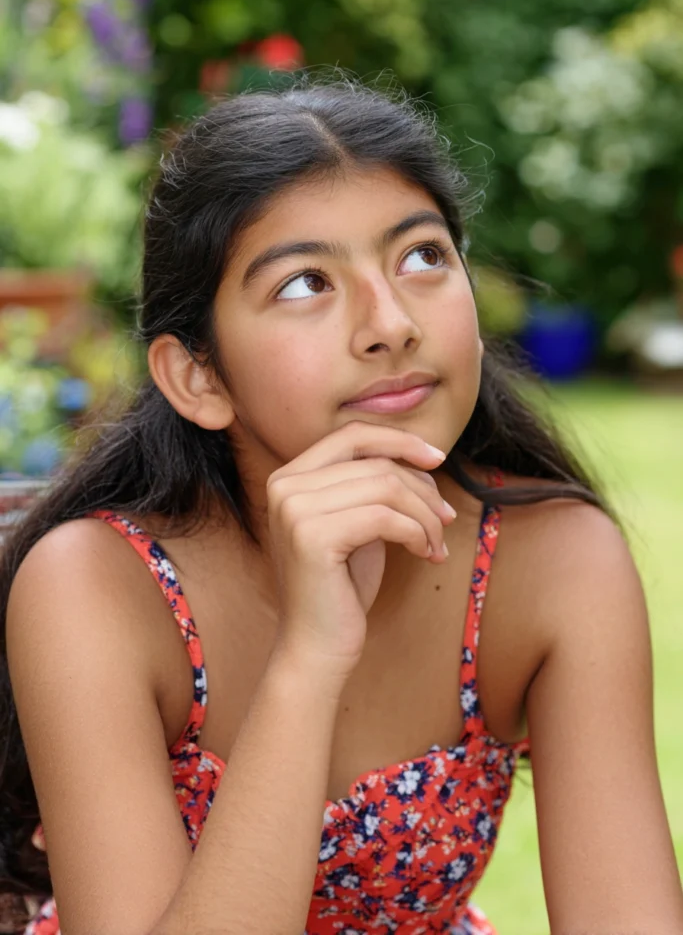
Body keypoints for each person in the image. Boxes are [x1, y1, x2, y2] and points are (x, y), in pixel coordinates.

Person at [0, 74, 681, 935]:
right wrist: (310, 658)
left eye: (422, 257)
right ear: (198, 377)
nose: (389, 320)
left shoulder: (554, 561)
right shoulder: (95, 588)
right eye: (303, 284)